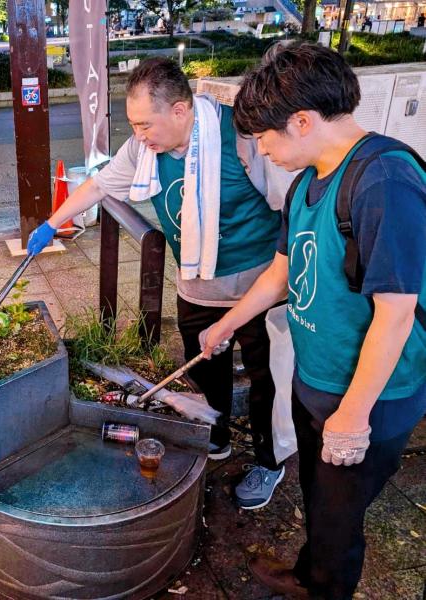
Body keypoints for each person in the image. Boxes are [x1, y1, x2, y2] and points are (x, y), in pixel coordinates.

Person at [201, 42, 426, 599]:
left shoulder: (383, 181)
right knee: (320, 500)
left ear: (301, 121)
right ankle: (307, 573)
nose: (261, 151)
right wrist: (228, 321)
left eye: (265, 138)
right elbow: (281, 272)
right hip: (317, 383)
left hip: (369, 399)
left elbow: (396, 315)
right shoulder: (305, 182)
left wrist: (352, 417)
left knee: (338, 519)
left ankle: (321, 586)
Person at [28, 57, 295, 510]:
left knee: (268, 380)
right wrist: (51, 224)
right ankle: (216, 438)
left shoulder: (241, 137)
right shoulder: (144, 150)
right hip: (195, 285)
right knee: (203, 370)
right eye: (133, 124)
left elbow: (288, 206)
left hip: (256, 292)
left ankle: (271, 461)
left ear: (180, 110)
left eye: (144, 124)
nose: (139, 135)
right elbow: (98, 187)